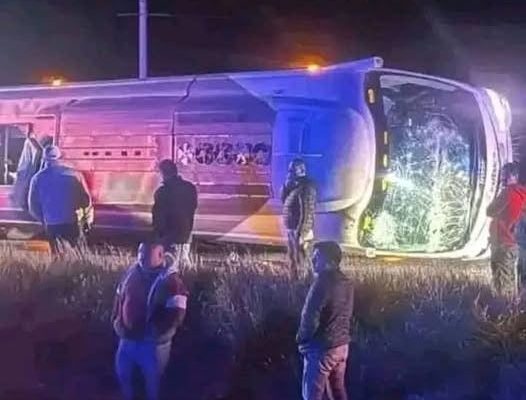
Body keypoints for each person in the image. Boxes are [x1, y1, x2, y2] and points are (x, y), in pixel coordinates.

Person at [112, 241, 189, 400]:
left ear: (160, 255)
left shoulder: (172, 281)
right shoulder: (131, 273)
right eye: (140, 252)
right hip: (127, 337)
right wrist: (116, 319)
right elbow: (119, 296)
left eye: (146, 254)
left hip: (152, 344)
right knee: (122, 372)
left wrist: (158, 332)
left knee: (153, 382)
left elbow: (178, 313)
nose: (141, 257)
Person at [297, 241, 354, 400]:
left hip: (322, 348)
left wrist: (303, 339)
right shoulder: (347, 283)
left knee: (312, 395)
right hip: (342, 346)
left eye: (317, 257)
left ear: (330, 261)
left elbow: (310, 315)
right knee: (337, 392)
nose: (312, 261)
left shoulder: (322, 282)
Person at [28, 145, 92, 252]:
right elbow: (86, 201)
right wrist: (83, 219)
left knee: (57, 254)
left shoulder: (37, 178)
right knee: (75, 253)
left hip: (51, 224)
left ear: (44, 159)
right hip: (72, 222)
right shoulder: (75, 175)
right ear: (61, 157)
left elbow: (32, 206)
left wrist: (44, 219)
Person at [487, 161, 526, 297]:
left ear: (514, 176)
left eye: (505, 175)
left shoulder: (508, 192)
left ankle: (505, 308)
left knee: (502, 284)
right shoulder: (522, 195)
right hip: (513, 244)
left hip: (502, 242)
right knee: (508, 280)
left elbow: (490, 211)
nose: (502, 179)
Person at [152, 159, 198, 268]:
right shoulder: (190, 188)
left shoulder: (162, 192)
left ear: (163, 173)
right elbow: (193, 207)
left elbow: (158, 217)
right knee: (184, 263)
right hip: (186, 234)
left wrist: (158, 235)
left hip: (169, 236)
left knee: (170, 266)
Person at [281, 158, 317, 276]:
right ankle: (295, 280)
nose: (290, 172)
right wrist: (286, 186)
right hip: (292, 228)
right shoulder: (294, 186)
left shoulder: (306, 188)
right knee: (293, 258)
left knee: (303, 258)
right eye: (289, 170)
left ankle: (307, 280)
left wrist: (302, 232)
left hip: (300, 230)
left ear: (301, 170)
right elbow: (284, 201)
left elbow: (307, 211)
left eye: (292, 170)